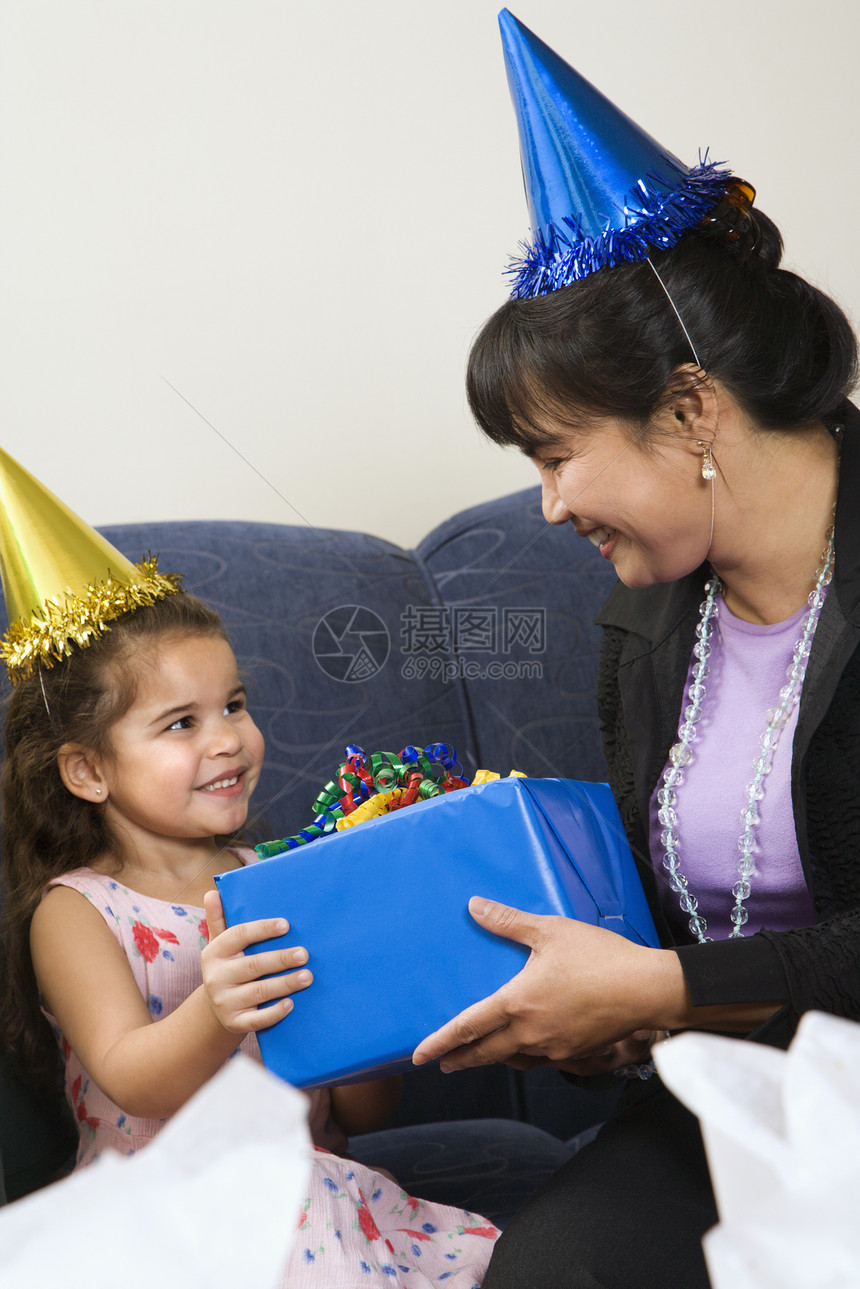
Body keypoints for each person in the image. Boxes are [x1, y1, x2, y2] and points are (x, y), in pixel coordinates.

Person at [412, 12, 860, 1288]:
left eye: (557, 455)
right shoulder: (644, 625)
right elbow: (671, 937)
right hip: (728, 1086)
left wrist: (655, 986)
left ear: (689, 406)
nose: (548, 504)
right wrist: (597, 1018)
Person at [0, 447, 497, 1285]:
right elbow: (130, 1075)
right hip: (167, 1210)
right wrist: (220, 1008)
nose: (227, 736)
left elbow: (362, 1109)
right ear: (87, 770)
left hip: (313, 1191)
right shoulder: (78, 909)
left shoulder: (275, 872)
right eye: (179, 723)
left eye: (233, 704)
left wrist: (379, 987)